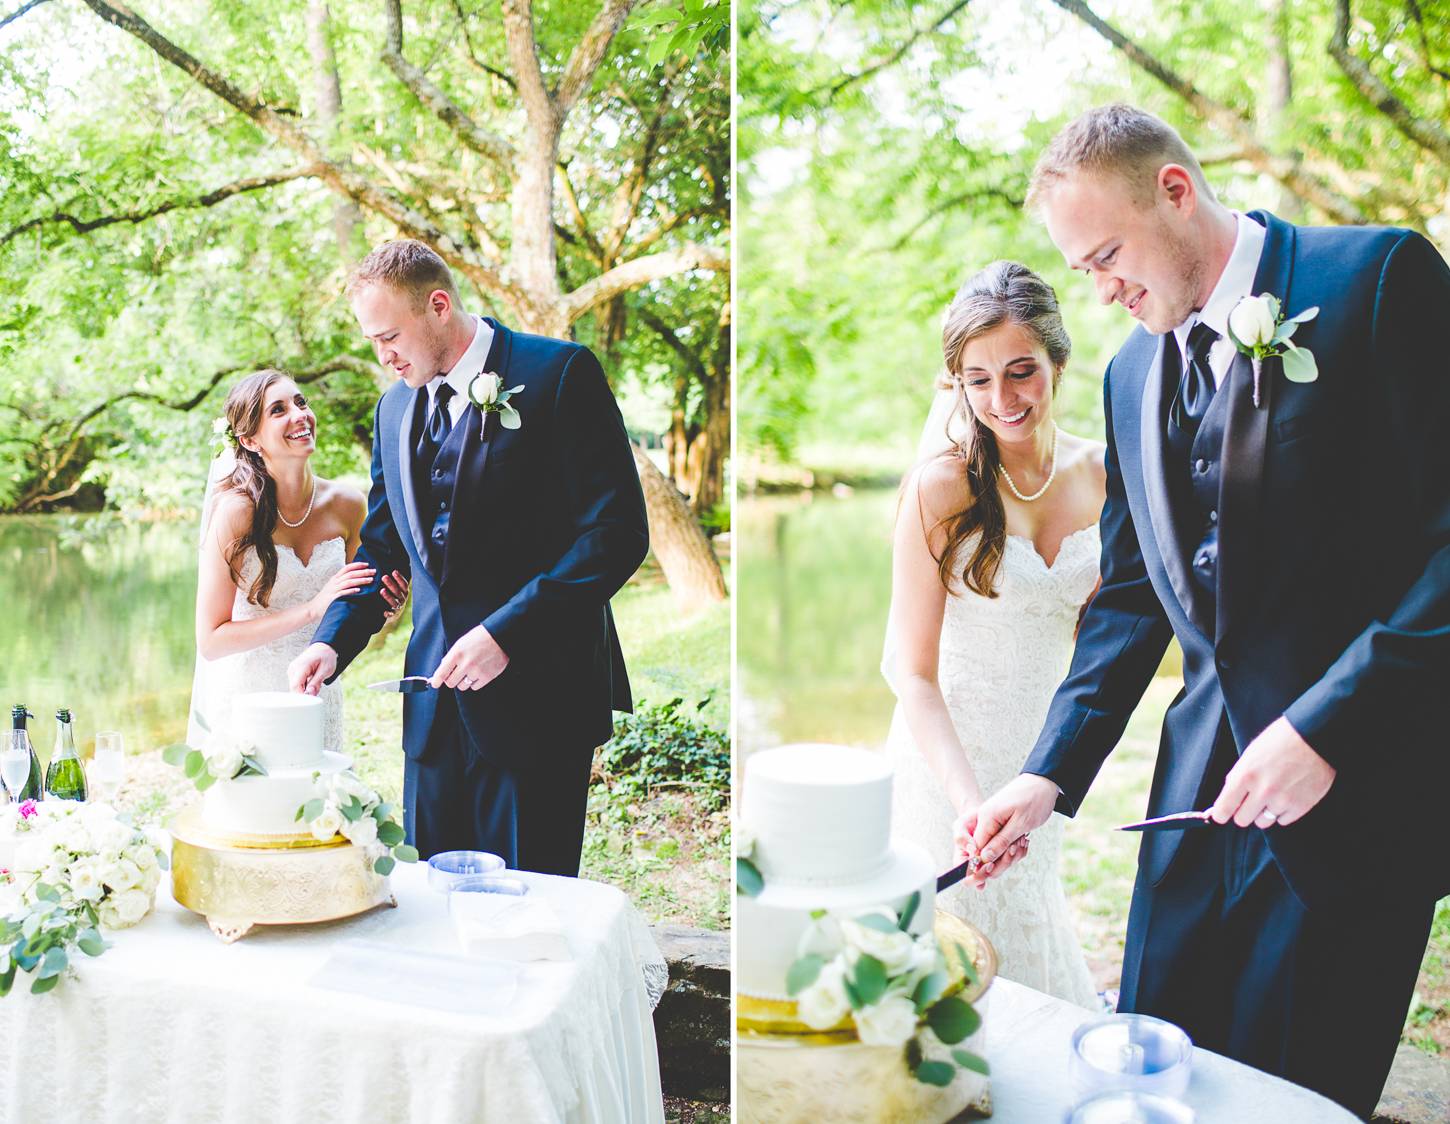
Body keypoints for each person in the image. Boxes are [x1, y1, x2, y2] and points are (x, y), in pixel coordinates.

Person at [968, 103, 1450, 1117]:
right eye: (1083, 267)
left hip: (1353, 801)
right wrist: (1046, 770)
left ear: (1176, 192)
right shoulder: (1132, 371)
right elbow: (1137, 594)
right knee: (1152, 1073)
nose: (1098, 291)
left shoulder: (1374, 282)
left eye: (1106, 255)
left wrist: (1327, 723)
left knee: (1292, 1095)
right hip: (1191, 801)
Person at [287, 239, 649, 876]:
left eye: (390, 335)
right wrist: (330, 642)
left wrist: (507, 634)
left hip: (538, 701)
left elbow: (614, 533)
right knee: (431, 911)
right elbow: (382, 547)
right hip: (431, 711)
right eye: (373, 340)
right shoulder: (394, 408)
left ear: (438, 305)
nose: (383, 355)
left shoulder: (558, 373)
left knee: (528, 914)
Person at [882, 261, 1104, 1008]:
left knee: (1031, 935)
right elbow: (907, 669)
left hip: (1040, 757)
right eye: (977, 380)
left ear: (1058, 363)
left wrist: (1053, 765)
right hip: (945, 762)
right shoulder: (942, 486)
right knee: (943, 971)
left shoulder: (1105, 475)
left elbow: (1105, 641)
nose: (1002, 400)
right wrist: (968, 801)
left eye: (1020, 372)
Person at [190, 370, 407, 751]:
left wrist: (384, 604)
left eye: (300, 402)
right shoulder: (235, 513)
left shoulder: (348, 504)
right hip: (250, 699)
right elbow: (210, 640)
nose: (299, 414)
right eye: (278, 409)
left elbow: (359, 601)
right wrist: (312, 609)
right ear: (249, 440)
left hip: (318, 689)